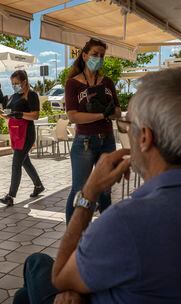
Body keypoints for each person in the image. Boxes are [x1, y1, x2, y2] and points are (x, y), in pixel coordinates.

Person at [13, 68, 181, 304]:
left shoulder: (126, 223)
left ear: (145, 137)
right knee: (24, 299)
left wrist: (89, 192)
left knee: (36, 263)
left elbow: (61, 277)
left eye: (127, 123)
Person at [64, 38, 121, 223]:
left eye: (102, 56)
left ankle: (105, 233)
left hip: (107, 140)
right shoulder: (73, 83)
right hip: (84, 142)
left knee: (105, 189)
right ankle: (73, 237)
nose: (98, 58)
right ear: (85, 55)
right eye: (95, 54)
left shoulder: (108, 82)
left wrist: (110, 111)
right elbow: (73, 116)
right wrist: (101, 115)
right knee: (79, 189)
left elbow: (118, 111)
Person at [0, 70, 45, 206]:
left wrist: (20, 114)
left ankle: (10, 196)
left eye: (17, 83)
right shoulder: (13, 97)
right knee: (25, 162)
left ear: (24, 82)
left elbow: (35, 115)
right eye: (12, 83)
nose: (14, 85)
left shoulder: (31, 95)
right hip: (15, 133)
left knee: (16, 163)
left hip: (26, 133)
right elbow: (8, 115)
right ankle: (38, 185)